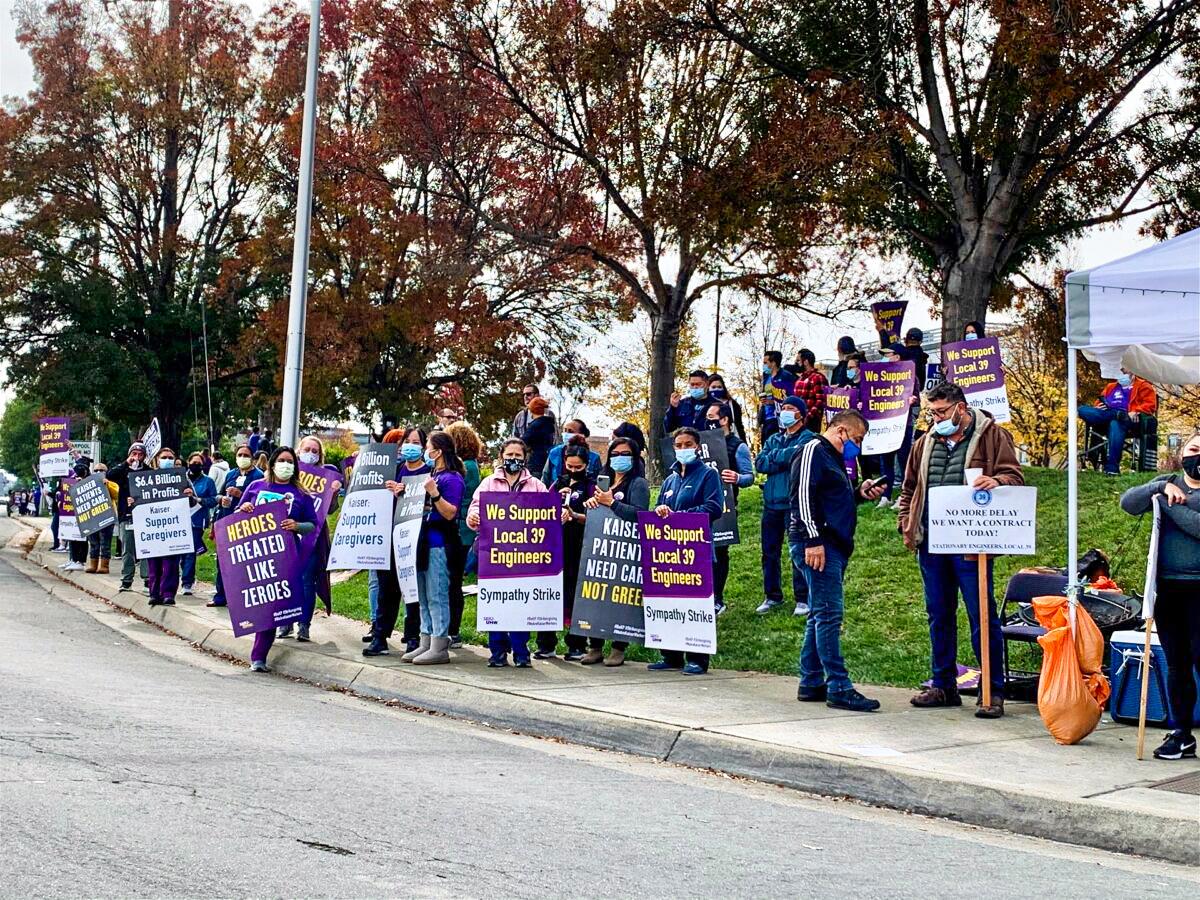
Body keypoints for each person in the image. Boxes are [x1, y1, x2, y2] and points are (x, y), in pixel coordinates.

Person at [899, 382, 1024, 718]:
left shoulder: (993, 437)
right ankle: (943, 685)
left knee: (981, 616)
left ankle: (992, 691)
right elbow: (910, 487)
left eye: (941, 412)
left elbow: (1015, 476)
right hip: (932, 541)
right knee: (939, 613)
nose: (936, 417)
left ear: (961, 408)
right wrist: (905, 523)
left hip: (972, 542)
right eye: (932, 412)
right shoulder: (924, 443)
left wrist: (996, 482)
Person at [788, 409, 888, 711]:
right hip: (820, 544)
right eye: (856, 439)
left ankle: (811, 681)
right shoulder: (813, 451)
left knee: (819, 614)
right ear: (841, 431)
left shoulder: (835, 460)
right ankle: (839, 685)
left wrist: (858, 494)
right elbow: (802, 497)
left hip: (832, 543)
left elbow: (830, 498)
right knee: (830, 614)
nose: (857, 446)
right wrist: (813, 540)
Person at [1120, 432, 1200, 760]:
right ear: (1182, 452)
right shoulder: (1165, 484)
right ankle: (1181, 732)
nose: (1198, 456)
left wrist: (1168, 507)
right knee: (1177, 664)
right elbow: (1128, 502)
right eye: (1194, 449)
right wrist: (1157, 488)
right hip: (1167, 588)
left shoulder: (1172, 501)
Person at [647, 428, 725, 676]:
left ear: (697, 446)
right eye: (679, 445)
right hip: (669, 553)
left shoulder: (708, 474)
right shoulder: (669, 479)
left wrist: (680, 517)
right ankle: (670, 655)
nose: (683, 449)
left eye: (688, 444)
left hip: (698, 549)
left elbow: (714, 507)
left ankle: (697, 658)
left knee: (696, 605)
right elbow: (660, 505)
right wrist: (660, 511)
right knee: (671, 603)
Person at [466, 438, 550, 667]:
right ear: (502, 456)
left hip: (524, 556)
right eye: (510, 455)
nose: (514, 459)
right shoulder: (488, 484)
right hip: (494, 555)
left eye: (518, 456)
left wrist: (558, 515)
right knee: (496, 603)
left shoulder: (536, 485)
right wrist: (473, 517)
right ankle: (497, 652)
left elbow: (547, 515)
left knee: (521, 604)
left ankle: (522, 651)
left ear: (525, 459)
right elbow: (474, 509)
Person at [236, 446, 319, 672]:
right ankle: (256, 651)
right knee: (258, 600)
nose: (286, 465)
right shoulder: (256, 487)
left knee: (272, 605)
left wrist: (297, 526)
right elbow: (236, 516)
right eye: (281, 460)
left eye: (290, 461)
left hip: (285, 556)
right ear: (272, 464)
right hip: (256, 553)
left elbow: (313, 525)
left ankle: (259, 656)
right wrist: (244, 508)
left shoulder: (302, 494)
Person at [395, 431, 466, 665]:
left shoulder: (452, 478)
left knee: (437, 594)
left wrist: (434, 494)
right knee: (423, 595)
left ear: (439, 450)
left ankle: (439, 644)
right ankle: (425, 641)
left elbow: (450, 512)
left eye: (427, 446)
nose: (425, 450)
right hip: (422, 541)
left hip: (440, 543)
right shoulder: (433, 473)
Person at [581, 435, 651, 666]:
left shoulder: (638, 483)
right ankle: (595, 646)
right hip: (600, 549)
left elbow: (641, 515)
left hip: (625, 550)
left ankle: (619, 647)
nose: (619, 458)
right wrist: (592, 505)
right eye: (615, 454)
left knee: (621, 598)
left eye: (625, 454)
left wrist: (613, 503)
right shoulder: (603, 480)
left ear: (634, 457)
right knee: (597, 596)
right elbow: (598, 512)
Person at [364, 427, 431, 653]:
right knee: (387, 589)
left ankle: (412, 638)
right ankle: (380, 637)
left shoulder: (429, 473)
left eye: (416, 441)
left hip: (416, 539)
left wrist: (409, 492)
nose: (411, 445)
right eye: (407, 441)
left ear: (423, 446)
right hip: (392, 538)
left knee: (413, 590)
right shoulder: (395, 470)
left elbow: (430, 504)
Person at [535, 445, 596, 661]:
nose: (573, 470)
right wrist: (555, 501)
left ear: (586, 465)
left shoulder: (591, 485)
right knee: (550, 594)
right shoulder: (558, 483)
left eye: (578, 467)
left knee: (575, 596)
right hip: (553, 547)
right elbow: (540, 510)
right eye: (569, 466)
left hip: (578, 546)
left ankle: (576, 644)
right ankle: (545, 643)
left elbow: (596, 517)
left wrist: (575, 514)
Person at [755, 396, 813, 616]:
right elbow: (760, 463)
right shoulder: (773, 439)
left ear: (800, 414)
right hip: (771, 504)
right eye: (783, 409)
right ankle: (772, 596)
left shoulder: (809, 438)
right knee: (769, 552)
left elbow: (802, 457)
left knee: (797, 550)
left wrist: (776, 459)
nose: (784, 412)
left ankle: (803, 598)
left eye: (790, 409)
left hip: (794, 504)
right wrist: (786, 457)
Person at [705, 402, 753, 615]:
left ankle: (718, 598)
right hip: (701, 506)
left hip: (726, 508)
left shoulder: (738, 446)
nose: (708, 420)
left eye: (712, 416)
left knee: (719, 551)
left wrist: (737, 478)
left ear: (724, 419)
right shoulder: (700, 443)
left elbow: (749, 476)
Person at [296, 434, 342, 633]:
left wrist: (332, 493)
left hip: (314, 538)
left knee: (307, 580)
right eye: (307, 450)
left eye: (315, 451)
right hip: (288, 534)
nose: (310, 454)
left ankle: (304, 624)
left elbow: (330, 509)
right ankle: (285, 622)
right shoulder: (289, 472)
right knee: (288, 580)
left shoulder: (326, 476)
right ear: (299, 451)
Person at [209, 444, 264, 608]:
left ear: (252, 458)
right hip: (226, 520)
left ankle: (240, 598)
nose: (242, 458)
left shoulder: (258, 476)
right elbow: (218, 493)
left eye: (246, 455)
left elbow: (259, 500)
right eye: (239, 455)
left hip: (246, 525)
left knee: (242, 563)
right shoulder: (231, 474)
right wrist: (221, 499)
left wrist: (240, 495)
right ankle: (220, 596)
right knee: (223, 561)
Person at [444, 421, 484, 648]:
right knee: (453, 581)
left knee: (453, 581)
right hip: (462, 530)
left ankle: (453, 630)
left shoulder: (465, 467)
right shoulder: (472, 465)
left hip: (459, 529)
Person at [1078, 368, 1158, 475]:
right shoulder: (1111, 387)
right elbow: (1098, 402)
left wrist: (1136, 410)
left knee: (1115, 424)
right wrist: (1098, 406)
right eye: (1119, 372)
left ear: (1132, 371)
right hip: (1107, 417)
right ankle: (1116, 415)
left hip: (1130, 420)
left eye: (1124, 372)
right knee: (1082, 410)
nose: (1122, 375)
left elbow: (1151, 404)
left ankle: (1112, 467)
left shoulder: (1144, 386)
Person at [145, 448, 191, 606]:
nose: (167, 460)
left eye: (170, 457)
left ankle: (168, 594)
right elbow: (140, 499)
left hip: (174, 528)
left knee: (171, 563)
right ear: (157, 460)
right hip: (154, 528)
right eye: (164, 457)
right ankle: (154, 593)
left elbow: (193, 501)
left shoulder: (181, 478)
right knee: (154, 563)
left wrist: (189, 494)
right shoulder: (147, 478)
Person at [105, 441, 150, 592]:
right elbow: (109, 475)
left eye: (140, 454)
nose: (137, 457)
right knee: (127, 549)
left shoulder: (149, 471)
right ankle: (126, 580)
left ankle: (147, 579)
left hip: (145, 516)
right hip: (127, 515)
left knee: (146, 549)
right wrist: (126, 463)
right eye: (134, 454)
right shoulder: (122, 471)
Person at [180, 451, 217, 596]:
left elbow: (213, 500)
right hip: (181, 520)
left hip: (197, 521)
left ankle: (187, 582)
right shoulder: (181, 479)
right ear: (188, 463)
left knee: (190, 552)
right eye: (193, 463)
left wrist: (199, 500)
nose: (195, 465)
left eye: (199, 464)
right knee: (182, 552)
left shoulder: (208, 482)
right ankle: (186, 574)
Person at [84, 462, 120, 574]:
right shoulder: (88, 484)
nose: (98, 472)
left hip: (107, 516)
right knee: (93, 542)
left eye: (101, 470)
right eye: (96, 470)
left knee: (105, 542)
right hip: (92, 517)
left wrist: (107, 485)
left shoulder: (112, 483)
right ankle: (93, 564)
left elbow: (117, 494)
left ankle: (104, 565)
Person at [542, 419, 602, 485]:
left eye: (570, 431)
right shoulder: (555, 452)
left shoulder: (594, 458)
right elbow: (545, 477)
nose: (566, 434)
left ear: (582, 435)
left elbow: (598, 482)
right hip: (556, 493)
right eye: (565, 430)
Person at [664, 369, 712, 433]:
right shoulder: (682, 404)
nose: (695, 387)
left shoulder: (716, 404)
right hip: (687, 441)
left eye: (698, 384)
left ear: (707, 384)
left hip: (709, 440)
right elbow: (668, 428)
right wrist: (673, 408)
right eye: (692, 384)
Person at [792, 349, 828, 433]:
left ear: (806, 362)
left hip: (811, 422)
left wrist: (808, 416)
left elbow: (821, 401)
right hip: (797, 420)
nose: (796, 363)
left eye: (798, 360)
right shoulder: (800, 378)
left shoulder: (817, 377)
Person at [522, 396, 556, 480]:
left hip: (535, 463)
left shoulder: (534, 426)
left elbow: (522, 442)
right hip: (547, 460)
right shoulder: (549, 424)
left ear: (531, 410)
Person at [707, 374, 747, 442]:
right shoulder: (705, 405)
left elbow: (739, 426)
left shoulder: (732, 404)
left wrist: (743, 442)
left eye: (719, 387)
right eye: (713, 387)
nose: (716, 389)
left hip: (730, 438)